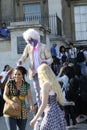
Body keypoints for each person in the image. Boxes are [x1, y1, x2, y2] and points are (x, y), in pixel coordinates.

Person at [17, 28, 53, 108]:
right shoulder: (28, 47)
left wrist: (46, 62)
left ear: (35, 38)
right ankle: (41, 114)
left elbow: (50, 59)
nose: (29, 42)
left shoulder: (44, 47)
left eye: (31, 40)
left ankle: (47, 110)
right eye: (28, 40)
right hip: (34, 73)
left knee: (45, 92)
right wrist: (20, 61)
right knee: (37, 93)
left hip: (44, 73)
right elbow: (23, 56)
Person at [30, 64, 66, 130]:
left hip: (50, 113)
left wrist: (35, 119)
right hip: (57, 112)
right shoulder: (54, 83)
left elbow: (44, 104)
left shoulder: (46, 85)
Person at [3, 66, 34, 130]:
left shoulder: (26, 85)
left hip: (22, 111)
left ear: (23, 75)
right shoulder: (9, 83)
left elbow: (29, 97)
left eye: (19, 74)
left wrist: (31, 105)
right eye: (15, 74)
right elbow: (4, 95)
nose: (16, 76)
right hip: (10, 110)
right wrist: (12, 103)